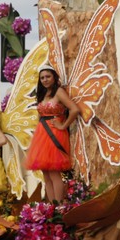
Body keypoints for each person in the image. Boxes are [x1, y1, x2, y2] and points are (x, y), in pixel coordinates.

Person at [24, 64, 78, 202]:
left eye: (48, 76)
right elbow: (40, 116)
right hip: (41, 134)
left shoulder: (59, 92)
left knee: (54, 173)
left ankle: (59, 206)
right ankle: (52, 206)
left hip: (55, 133)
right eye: (42, 78)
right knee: (46, 175)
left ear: (54, 77)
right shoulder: (42, 94)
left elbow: (74, 109)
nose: (45, 80)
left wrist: (63, 125)